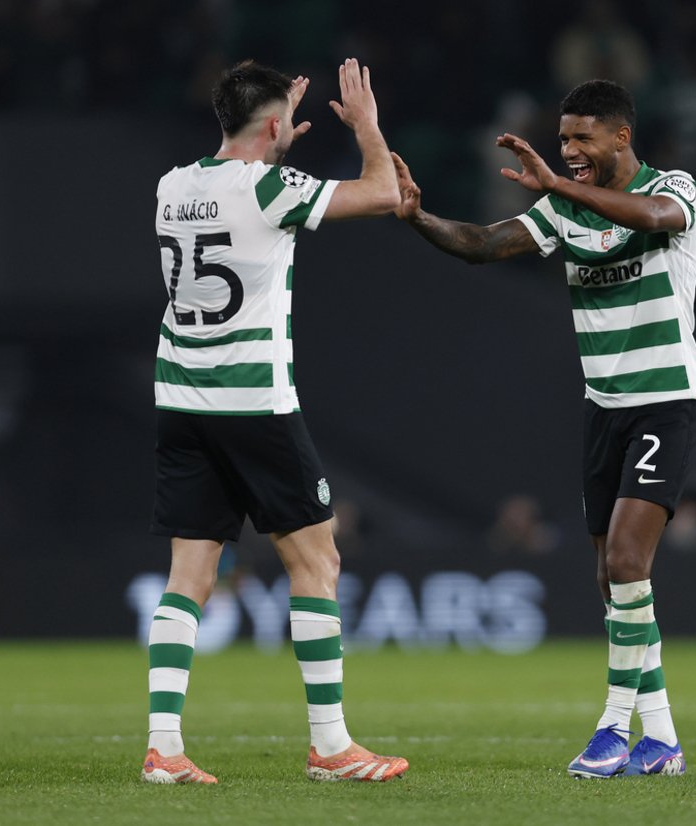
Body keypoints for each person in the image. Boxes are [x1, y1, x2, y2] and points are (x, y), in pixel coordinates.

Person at [392, 79, 696, 778]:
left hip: (667, 399)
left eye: (581, 138)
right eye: (562, 139)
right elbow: (482, 244)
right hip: (603, 407)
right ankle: (661, 738)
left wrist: (559, 188)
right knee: (613, 579)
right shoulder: (565, 210)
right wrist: (416, 217)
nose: (568, 151)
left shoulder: (674, 187)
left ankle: (612, 729)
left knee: (627, 562)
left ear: (621, 136)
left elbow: (655, 217)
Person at [143, 58, 408, 784]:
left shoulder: (172, 186)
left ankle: (164, 747)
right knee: (317, 563)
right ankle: (330, 745)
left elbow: (240, 174)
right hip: (253, 403)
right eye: (285, 121)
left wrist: (273, 128)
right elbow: (384, 192)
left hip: (182, 400)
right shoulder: (269, 188)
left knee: (188, 575)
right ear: (270, 127)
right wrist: (366, 126)